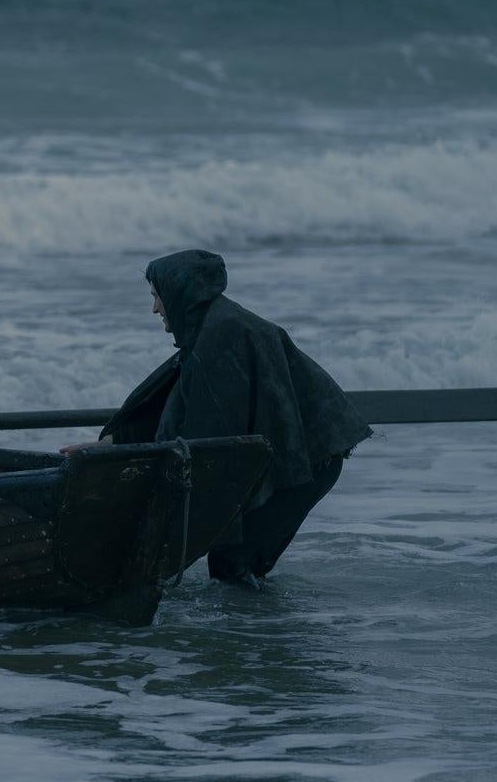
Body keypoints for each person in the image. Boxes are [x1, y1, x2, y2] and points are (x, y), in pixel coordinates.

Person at [74, 249, 370, 586]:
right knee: (233, 556)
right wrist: (112, 445)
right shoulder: (210, 328)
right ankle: (255, 626)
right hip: (301, 453)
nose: (154, 308)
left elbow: (208, 443)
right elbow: (172, 406)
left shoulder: (223, 335)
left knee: (233, 560)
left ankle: (253, 633)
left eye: (157, 297)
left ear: (178, 294)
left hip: (310, 458)